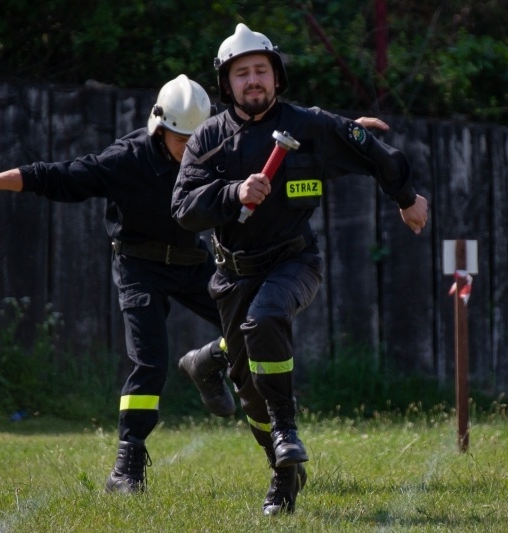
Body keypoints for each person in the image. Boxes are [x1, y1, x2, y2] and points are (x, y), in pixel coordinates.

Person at [171, 24, 429, 516]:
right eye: (241, 73)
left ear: (276, 77)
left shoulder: (310, 126)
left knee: (266, 317)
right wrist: (232, 193)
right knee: (250, 394)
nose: (253, 81)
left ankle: (287, 430)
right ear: (227, 85)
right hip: (231, 275)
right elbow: (183, 209)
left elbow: (371, 149)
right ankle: (283, 472)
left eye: (261, 71)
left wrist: (407, 197)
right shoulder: (207, 139)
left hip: (294, 260)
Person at [0, 74, 237, 494]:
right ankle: (127, 467)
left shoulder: (216, 151)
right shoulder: (126, 160)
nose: (191, 150)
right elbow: (59, 176)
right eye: (181, 140)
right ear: (160, 128)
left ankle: (207, 362)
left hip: (193, 261)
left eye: (197, 139)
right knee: (150, 363)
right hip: (140, 266)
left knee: (251, 322)